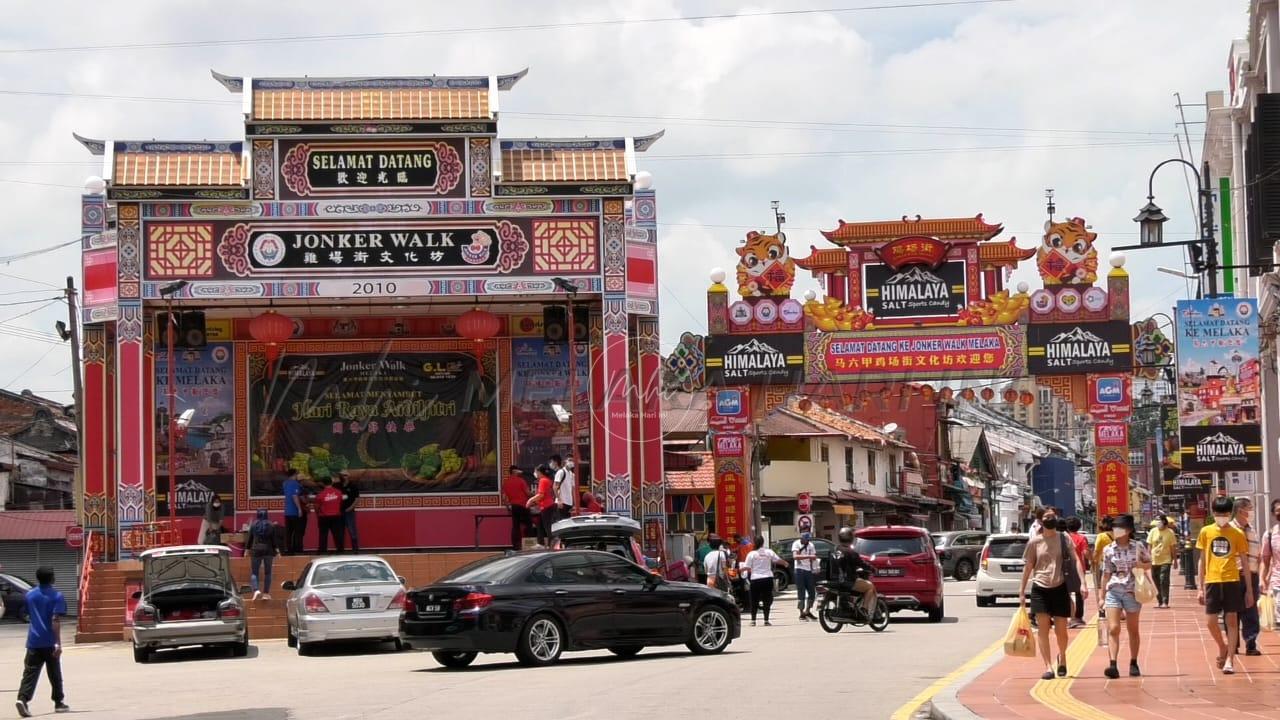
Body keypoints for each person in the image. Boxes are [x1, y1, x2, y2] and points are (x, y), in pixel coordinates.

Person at [1019, 508, 1087, 681]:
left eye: (1052, 516)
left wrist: (1083, 583)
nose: (1051, 519)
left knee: (1061, 631)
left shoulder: (1064, 538)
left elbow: (1076, 559)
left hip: (1060, 587)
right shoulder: (1034, 542)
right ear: (1040, 521)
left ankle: (1062, 657)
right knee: (1043, 629)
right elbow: (1028, 568)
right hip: (1040, 589)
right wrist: (1021, 592)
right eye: (1047, 517)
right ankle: (1048, 666)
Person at [1197, 496, 1254, 675]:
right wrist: (1200, 587)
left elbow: (1244, 561)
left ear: (1230, 514)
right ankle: (1222, 646)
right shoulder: (1206, 532)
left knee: (1231, 621)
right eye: (1218, 513)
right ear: (1213, 513)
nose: (1222, 516)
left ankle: (1230, 659)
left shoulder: (1237, 534)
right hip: (1212, 581)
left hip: (1232, 580)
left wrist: (1249, 591)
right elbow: (1202, 560)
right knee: (1211, 621)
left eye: (1225, 514)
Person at [1101, 514, 1151, 678]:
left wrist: (1141, 565)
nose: (1116, 531)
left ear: (1129, 530)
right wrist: (1101, 596)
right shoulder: (1108, 549)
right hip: (1114, 591)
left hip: (1132, 591)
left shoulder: (1138, 546)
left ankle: (1133, 662)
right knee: (1114, 628)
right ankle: (1113, 664)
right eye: (1114, 527)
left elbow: (1149, 563)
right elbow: (1106, 573)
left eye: (1120, 528)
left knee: (1133, 629)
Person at [15, 567, 68, 717]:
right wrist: (58, 643)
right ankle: (58, 702)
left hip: (33, 640)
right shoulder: (57, 596)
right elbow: (55, 619)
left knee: (30, 673)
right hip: (49, 641)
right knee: (54, 672)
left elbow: (27, 613)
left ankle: (22, 699)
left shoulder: (29, 595)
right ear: (52, 578)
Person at [1231, 497, 1263, 656]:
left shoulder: (1251, 529)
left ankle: (1251, 643)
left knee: (1251, 610)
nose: (1251, 512)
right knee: (1233, 611)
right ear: (1240, 511)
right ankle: (1233, 644)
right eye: (1249, 508)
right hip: (1235, 576)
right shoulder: (1229, 529)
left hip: (1252, 575)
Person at [833, 527, 878, 618]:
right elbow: (861, 563)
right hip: (848, 581)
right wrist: (872, 569)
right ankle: (864, 609)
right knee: (870, 587)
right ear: (851, 538)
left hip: (834, 580)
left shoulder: (834, 550)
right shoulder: (851, 552)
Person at [743, 535, 786, 626]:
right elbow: (778, 560)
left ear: (754, 543)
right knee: (767, 599)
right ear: (763, 542)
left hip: (755, 579)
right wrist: (785, 563)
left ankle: (753, 620)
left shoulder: (751, 554)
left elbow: (747, 567)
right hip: (767, 578)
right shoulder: (769, 552)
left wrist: (740, 570)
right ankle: (766, 620)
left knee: (754, 599)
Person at [245, 509, 282, 602]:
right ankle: (266, 593)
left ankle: (256, 590)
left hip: (256, 550)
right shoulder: (271, 525)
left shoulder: (253, 525)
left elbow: (249, 539)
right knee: (268, 573)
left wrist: (246, 550)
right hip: (268, 551)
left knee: (254, 573)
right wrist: (278, 552)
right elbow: (274, 540)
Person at [1258, 499, 1280, 632]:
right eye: (1278, 510)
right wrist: (1262, 579)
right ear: (1273, 514)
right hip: (1278, 582)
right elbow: (1265, 561)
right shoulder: (1270, 535)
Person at [1147, 515, 1177, 608]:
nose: (1158, 522)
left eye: (1159, 520)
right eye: (1156, 521)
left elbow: (1173, 547)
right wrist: (1148, 558)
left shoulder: (1170, 532)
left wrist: (1175, 560)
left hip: (1166, 560)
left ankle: (1165, 601)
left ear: (1164, 521)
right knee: (1155, 580)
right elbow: (1149, 545)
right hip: (1154, 560)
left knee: (1163, 579)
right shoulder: (1153, 531)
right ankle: (1159, 600)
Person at [501, 465, 532, 550]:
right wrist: (535, 495)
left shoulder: (506, 482)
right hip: (523, 505)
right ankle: (529, 544)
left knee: (515, 526)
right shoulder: (521, 480)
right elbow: (528, 493)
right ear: (514, 471)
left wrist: (508, 507)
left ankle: (516, 545)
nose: (520, 471)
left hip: (514, 506)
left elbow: (504, 498)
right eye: (518, 470)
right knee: (529, 524)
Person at [1066, 516, 1089, 628]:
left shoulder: (1064, 538)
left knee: (1067, 592)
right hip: (1080, 568)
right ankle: (1078, 617)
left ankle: (1069, 615)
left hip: (1066, 568)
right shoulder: (1081, 538)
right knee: (1080, 593)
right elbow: (1085, 553)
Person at [526, 465, 558, 546]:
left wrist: (530, 500)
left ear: (539, 472)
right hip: (547, 506)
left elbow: (541, 495)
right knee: (540, 526)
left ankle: (553, 546)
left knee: (548, 529)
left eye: (536, 471)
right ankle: (540, 544)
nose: (535, 473)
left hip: (546, 507)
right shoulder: (548, 480)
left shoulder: (543, 480)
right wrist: (535, 502)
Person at [792, 532, 820, 621]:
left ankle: (807, 610)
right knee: (801, 592)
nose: (807, 541)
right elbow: (795, 556)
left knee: (812, 592)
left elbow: (813, 558)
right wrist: (809, 556)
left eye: (808, 540)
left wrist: (814, 568)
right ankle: (801, 613)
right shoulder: (796, 544)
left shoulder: (811, 545)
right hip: (799, 570)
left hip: (808, 570)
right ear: (802, 538)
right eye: (805, 539)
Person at [315, 477, 345, 554]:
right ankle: (340, 550)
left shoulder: (320, 495)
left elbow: (316, 507)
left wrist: (318, 514)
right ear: (331, 483)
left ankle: (322, 551)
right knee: (337, 534)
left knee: (323, 534)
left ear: (323, 484)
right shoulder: (338, 492)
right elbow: (341, 503)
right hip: (336, 516)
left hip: (323, 517)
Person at [282, 469, 306, 555]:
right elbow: (295, 496)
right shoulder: (295, 484)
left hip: (287, 511)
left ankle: (288, 549)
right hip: (294, 511)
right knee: (298, 531)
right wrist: (299, 509)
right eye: (297, 474)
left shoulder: (285, 483)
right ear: (295, 474)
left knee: (289, 532)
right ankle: (298, 549)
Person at [339, 472, 360, 553]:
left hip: (349, 511)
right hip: (339, 512)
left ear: (348, 476)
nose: (343, 477)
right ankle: (340, 550)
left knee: (352, 530)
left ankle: (355, 549)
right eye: (341, 475)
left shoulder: (353, 486)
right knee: (340, 531)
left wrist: (350, 508)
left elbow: (357, 499)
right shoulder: (337, 485)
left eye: (345, 475)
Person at [553, 457, 576, 521]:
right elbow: (555, 487)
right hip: (562, 503)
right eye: (570, 460)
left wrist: (574, 503)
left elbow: (573, 489)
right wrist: (559, 500)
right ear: (565, 461)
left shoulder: (572, 474)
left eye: (573, 461)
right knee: (561, 523)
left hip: (569, 503)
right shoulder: (561, 472)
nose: (571, 462)